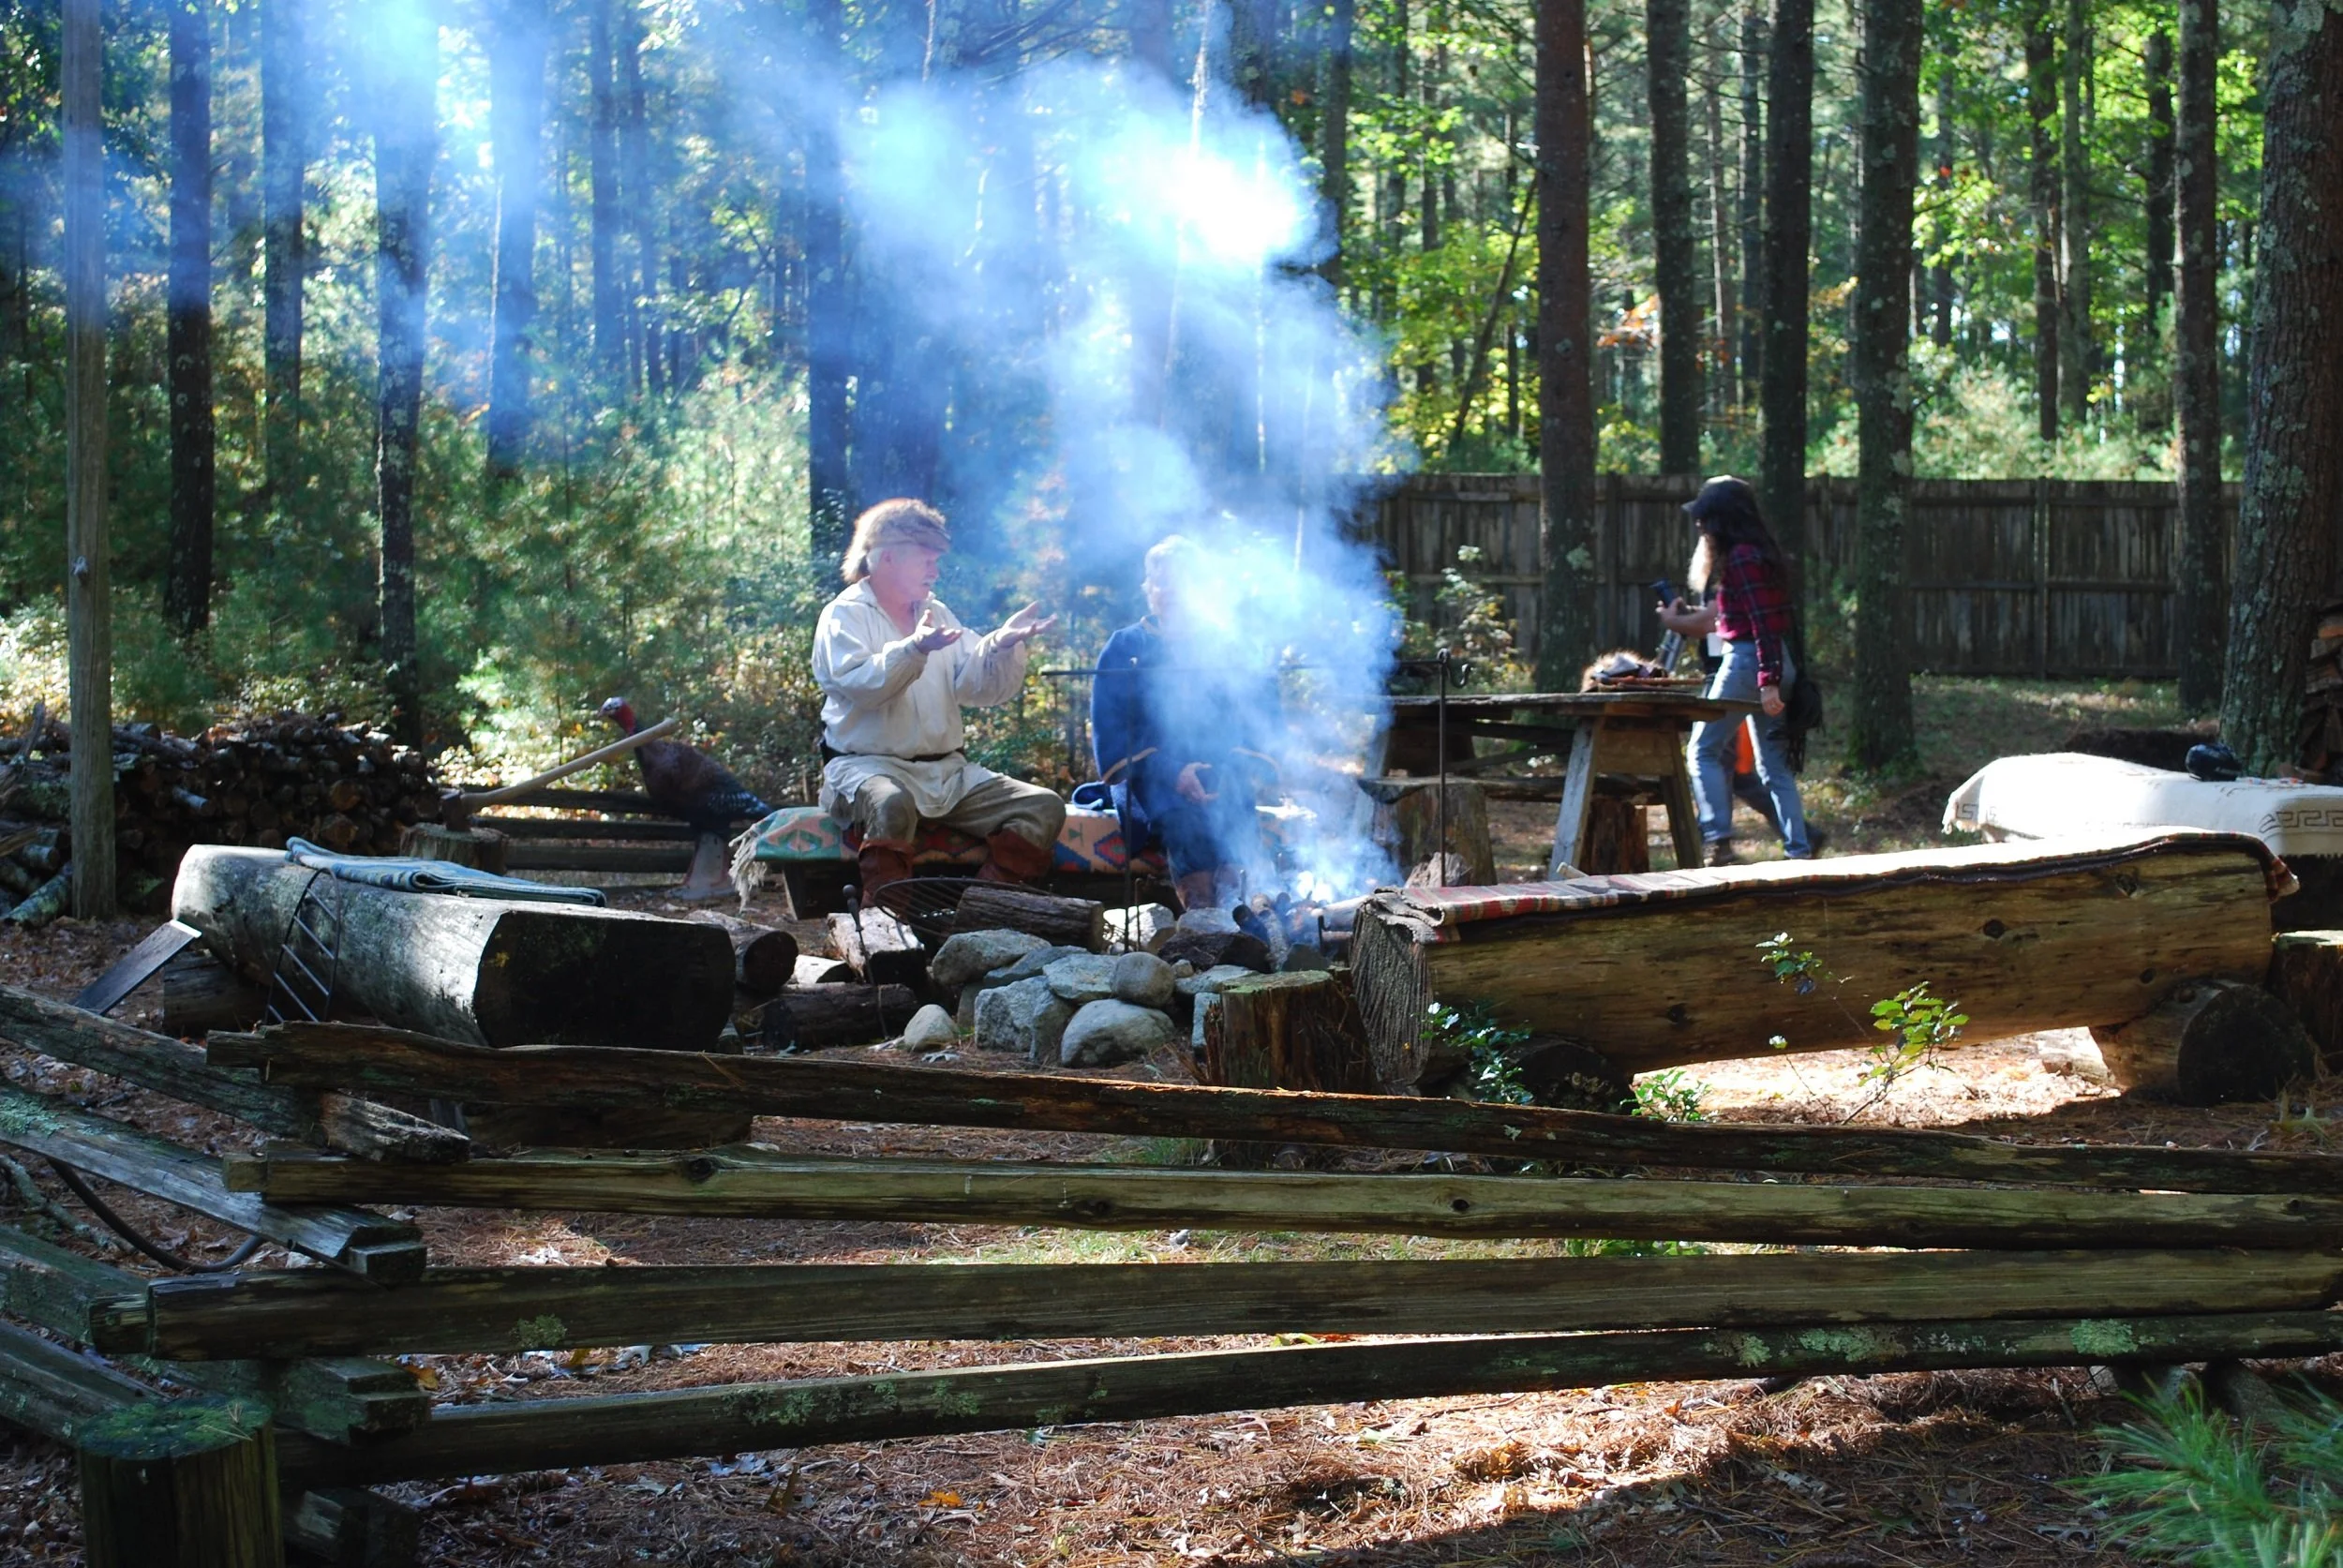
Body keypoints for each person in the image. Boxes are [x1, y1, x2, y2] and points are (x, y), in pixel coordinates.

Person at [813, 498, 1066, 893]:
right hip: (868, 767)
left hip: (946, 774)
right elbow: (864, 687)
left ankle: (981, 915)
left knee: (1043, 806)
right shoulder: (844, 615)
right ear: (887, 558)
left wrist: (1001, 643)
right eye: (925, 559)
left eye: (936, 560)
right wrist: (914, 649)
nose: (935, 570)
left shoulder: (937, 613)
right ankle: (887, 930)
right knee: (891, 802)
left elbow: (972, 686)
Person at [1090, 535, 1277, 911]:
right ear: (1148, 588)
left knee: (1233, 811)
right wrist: (1173, 771)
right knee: (1185, 818)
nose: (1172, 591)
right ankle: (1204, 918)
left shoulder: (1226, 644)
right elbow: (1111, 729)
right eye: (1162, 581)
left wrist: (1223, 768)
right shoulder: (1125, 646)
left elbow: (1257, 711)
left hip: (1222, 769)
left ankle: (1242, 912)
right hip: (1150, 778)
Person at [1655, 475, 1813, 864]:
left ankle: (1717, 841)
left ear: (1721, 519)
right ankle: (1799, 851)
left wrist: (1768, 682)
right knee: (1774, 767)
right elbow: (1745, 618)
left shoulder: (1742, 557)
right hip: (1767, 663)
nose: (1699, 526)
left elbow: (1763, 624)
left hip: (1749, 663)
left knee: (1702, 751)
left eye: (1704, 518)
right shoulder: (1761, 554)